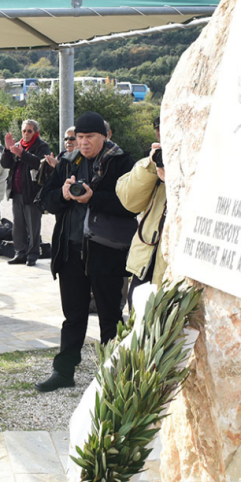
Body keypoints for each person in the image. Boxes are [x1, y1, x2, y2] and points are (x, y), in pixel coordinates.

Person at [36, 112, 137, 392]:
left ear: (104, 136)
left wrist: (94, 198)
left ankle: (115, 375)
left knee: (110, 316)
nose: (83, 142)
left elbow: (131, 206)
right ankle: (63, 371)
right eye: (79, 137)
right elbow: (45, 200)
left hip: (107, 251)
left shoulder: (121, 162)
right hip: (70, 251)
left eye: (89, 137)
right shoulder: (68, 162)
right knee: (73, 316)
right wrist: (63, 195)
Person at [116, 119, 167, 300]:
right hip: (146, 263)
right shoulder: (152, 163)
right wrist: (152, 166)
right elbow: (130, 201)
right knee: (138, 316)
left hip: (172, 271)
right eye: (159, 130)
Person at [1, 119, 52, 267]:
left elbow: (40, 164)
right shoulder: (17, 145)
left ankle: (32, 254)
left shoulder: (42, 146)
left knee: (33, 225)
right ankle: (20, 253)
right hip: (17, 192)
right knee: (18, 225)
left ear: (36, 132)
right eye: (24, 131)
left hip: (32, 193)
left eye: (29, 131)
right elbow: (5, 164)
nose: (26, 134)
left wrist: (22, 154)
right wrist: (7, 150)